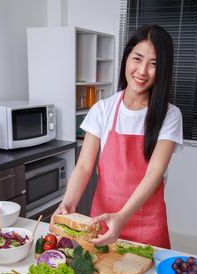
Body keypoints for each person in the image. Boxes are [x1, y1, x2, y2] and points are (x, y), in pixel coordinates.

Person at [50, 24, 183, 249]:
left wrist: (122, 216)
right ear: (126, 58)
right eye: (137, 59)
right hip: (101, 221)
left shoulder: (169, 115)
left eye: (154, 64)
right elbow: (83, 166)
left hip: (147, 224)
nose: (142, 71)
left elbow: (154, 172)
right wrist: (68, 203)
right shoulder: (103, 109)